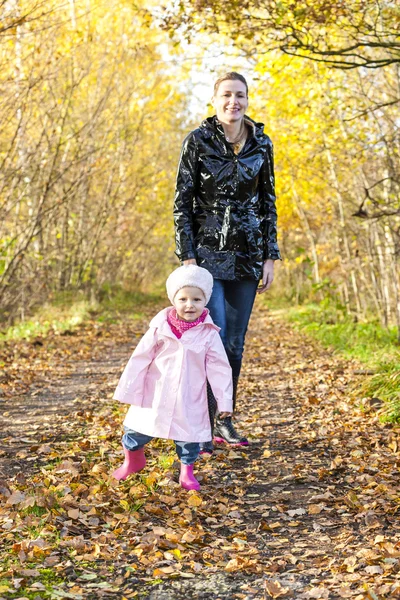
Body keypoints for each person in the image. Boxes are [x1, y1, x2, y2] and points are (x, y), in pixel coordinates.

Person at [174, 71, 281, 452]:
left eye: (239, 95)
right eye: (226, 95)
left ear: (247, 100)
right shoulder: (197, 141)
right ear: (215, 100)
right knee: (210, 340)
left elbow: (268, 202)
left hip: (248, 256)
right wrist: (187, 256)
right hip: (205, 257)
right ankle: (198, 423)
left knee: (234, 345)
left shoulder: (262, 144)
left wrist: (270, 255)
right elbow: (181, 204)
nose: (233, 102)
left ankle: (224, 420)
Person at [111, 264, 233, 491]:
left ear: (205, 301)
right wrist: (130, 390)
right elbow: (140, 358)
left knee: (188, 438)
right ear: (173, 300)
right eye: (183, 299)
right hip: (154, 392)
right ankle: (133, 460)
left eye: (197, 299)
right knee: (136, 430)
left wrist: (225, 402)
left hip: (189, 395)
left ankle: (187, 472)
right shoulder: (160, 328)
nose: (189, 305)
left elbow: (220, 369)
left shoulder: (208, 333)